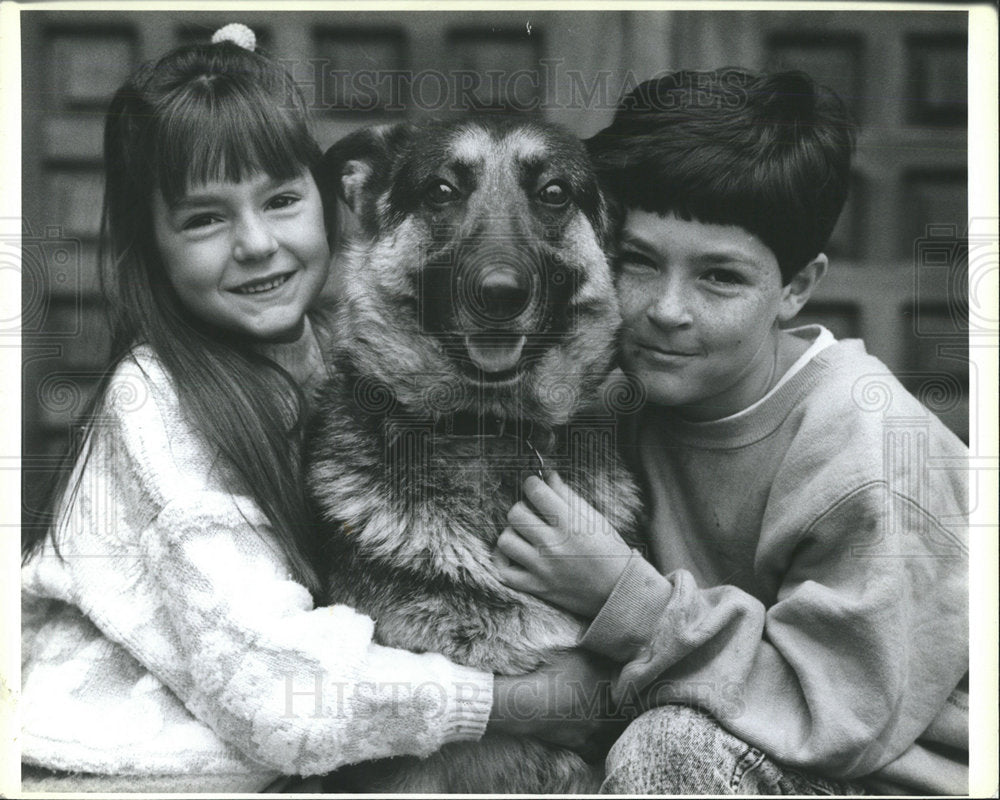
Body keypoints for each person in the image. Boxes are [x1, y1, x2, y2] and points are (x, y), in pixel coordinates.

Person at [20, 25, 609, 793]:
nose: (257, 243)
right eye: (204, 218)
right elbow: (271, 692)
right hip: (118, 775)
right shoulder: (149, 405)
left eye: (282, 200)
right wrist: (517, 702)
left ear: (338, 199)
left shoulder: (335, 361)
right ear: (152, 244)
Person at [495, 68, 969, 795]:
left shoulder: (863, 445)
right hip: (734, 729)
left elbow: (836, 715)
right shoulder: (618, 398)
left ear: (797, 287)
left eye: (719, 278)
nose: (666, 310)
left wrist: (624, 597)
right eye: (637, 262)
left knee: (669, 746)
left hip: (885, 773)